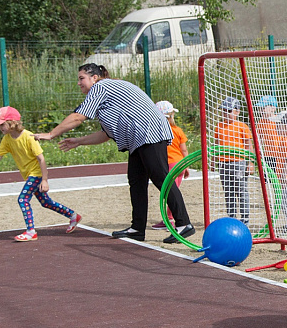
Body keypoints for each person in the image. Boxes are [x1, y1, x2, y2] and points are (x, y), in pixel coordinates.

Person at [34, 64, 194, 244]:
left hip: (149, 132)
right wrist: (78, 141)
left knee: (161, 178)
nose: (78, 83)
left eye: (81, 78)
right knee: (136, 181)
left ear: (94, 77)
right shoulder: (106, 99)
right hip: (138, 138)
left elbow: (78, 117)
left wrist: (51, 134)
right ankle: (137, 229)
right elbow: (105, 134)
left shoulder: (100, 87)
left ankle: (183, 224)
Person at [0, 106, 81, 242]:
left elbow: (41, 159)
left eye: (2, 124)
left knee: (23, 199)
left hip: (36, 173)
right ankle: (73, 216)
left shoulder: (29, 137)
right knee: (45, 202)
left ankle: (31, 231)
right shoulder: (7, 139)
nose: (0, 127)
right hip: (29, 174)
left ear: (12, 123)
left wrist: (45, 180)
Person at [214, 97, 253, 223]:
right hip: (223, 163)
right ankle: (231, 217)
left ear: (237, 112)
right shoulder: (219, 126)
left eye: (229, 111)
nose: (226, 113)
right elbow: (216, 144)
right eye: (224, 110)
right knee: (228, 191)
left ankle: (245, 218)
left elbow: (248, 145)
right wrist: (213, 160)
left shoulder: (242, 126)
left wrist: (250, 163)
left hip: (238, 163)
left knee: (241, 190)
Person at [152, 100, 188, 230]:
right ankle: (168, 219)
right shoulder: (177, 130)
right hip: (179, 164)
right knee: (173, 192)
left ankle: (170, 219)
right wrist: (186, 165)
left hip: (169, 165)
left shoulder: (158, 132)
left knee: (169, 193)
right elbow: (183, 150)